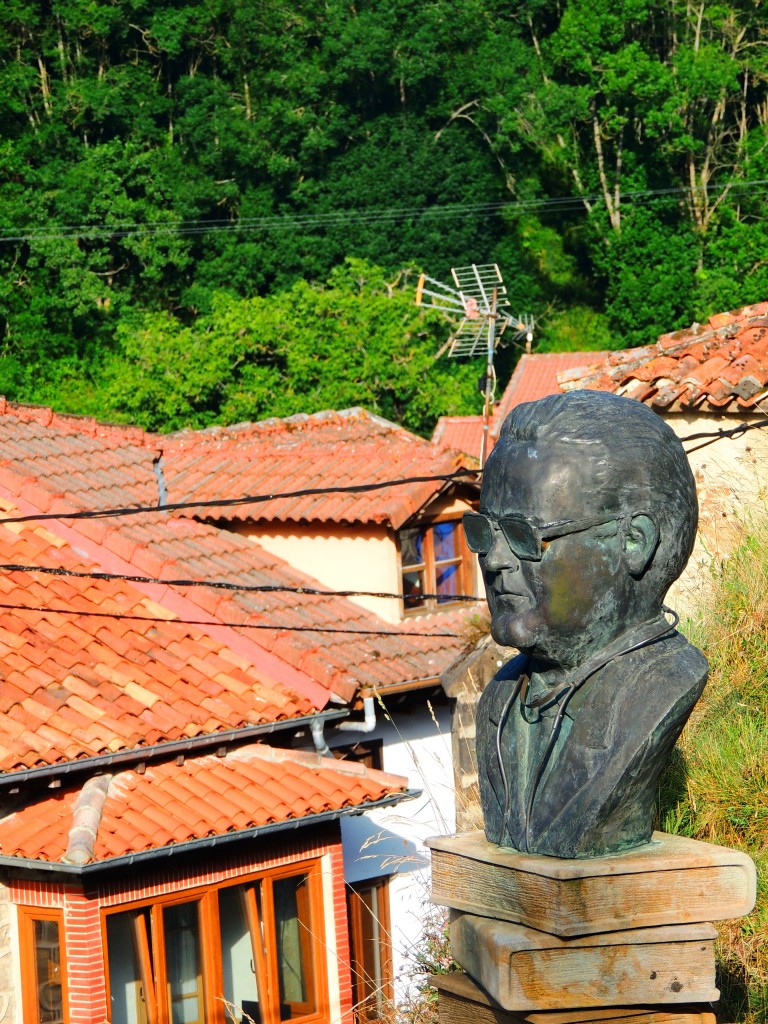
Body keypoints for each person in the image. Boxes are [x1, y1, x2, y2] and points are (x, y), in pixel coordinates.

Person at [466, 391, 708, 859]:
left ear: (634, 542)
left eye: (523, 536)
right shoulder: (500, 698)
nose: (494, 560)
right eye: (484, 531)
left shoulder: (661, 687)